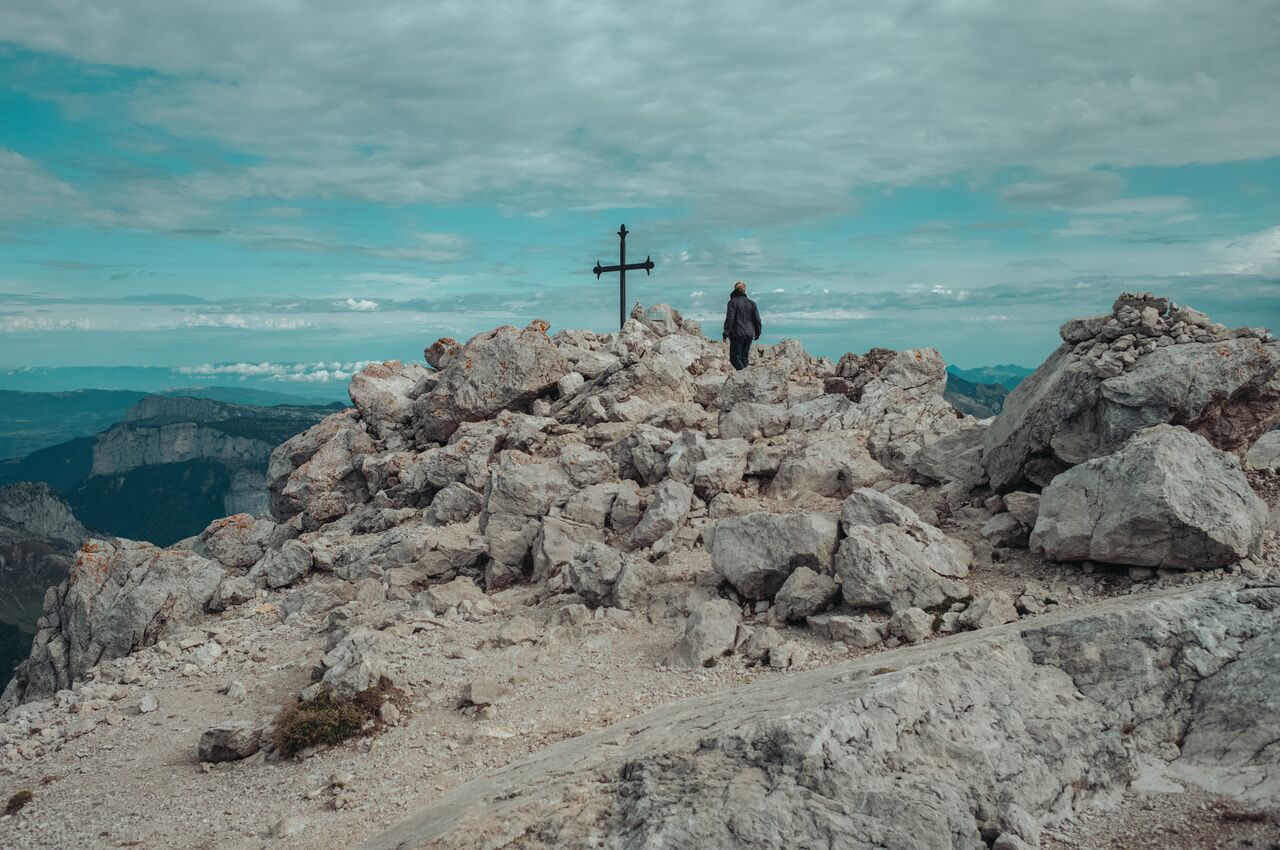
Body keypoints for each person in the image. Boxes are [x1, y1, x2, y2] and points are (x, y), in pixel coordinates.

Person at [722, 280, 761, 370]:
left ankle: (744, 378)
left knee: (735, 359)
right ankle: (746, 378)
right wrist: (758, 333)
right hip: (749, 334)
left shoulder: (732, 302)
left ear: (735, 290)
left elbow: (730, 319)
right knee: (744, 358)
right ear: (744, 290)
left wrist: (726, 333)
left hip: (737, 334)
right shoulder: (752, 303)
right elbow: (757, 320)